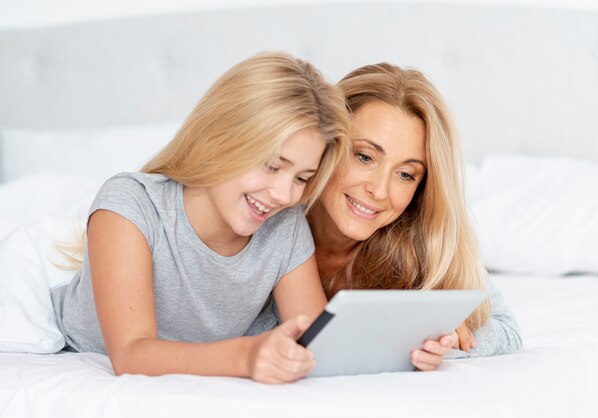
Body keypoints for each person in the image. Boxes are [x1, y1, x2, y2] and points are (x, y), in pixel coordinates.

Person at [50, 51, 351, 384]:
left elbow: (320, 347)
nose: (285, 195)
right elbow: (131, 355)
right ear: (219, 140)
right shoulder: (131, 206)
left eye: (302, 178)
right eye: (272, 165)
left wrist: (412, 356)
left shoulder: (285, 225)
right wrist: (247, 355)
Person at [248, 62, 523, 371]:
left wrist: (440, 344)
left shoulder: (422, 239)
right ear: (326, 143)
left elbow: (507, 329)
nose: (379, 191)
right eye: (364, 157)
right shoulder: (266, 216)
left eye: (405, 174)